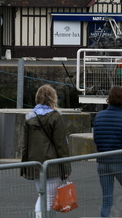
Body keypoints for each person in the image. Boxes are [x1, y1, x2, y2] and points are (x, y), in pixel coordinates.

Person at [21, 84, 71, 217]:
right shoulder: (55, 117)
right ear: (52, 98)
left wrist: (24, 167)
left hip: (34, 163)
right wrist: (66, 168)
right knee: (48, 198)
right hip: (52, 164)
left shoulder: (29, 117)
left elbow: (25, 145)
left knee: (43, 195)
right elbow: (61, 145)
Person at [93, 86, 122, 217]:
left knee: (107, 198)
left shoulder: (99, 116)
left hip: (102, 161)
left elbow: (96, 139)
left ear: (109, 99)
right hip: (120, 160)